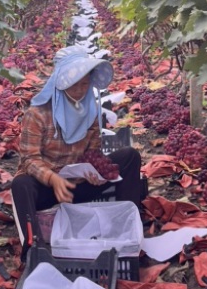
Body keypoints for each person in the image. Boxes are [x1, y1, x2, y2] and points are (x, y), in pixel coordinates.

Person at [11, 46, 143, 254]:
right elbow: (29, 159)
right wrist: (53, 180)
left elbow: (93, 152)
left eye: (85, 84)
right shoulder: (37, 114)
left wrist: (95, 172)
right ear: (60, 83)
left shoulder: (91, 110)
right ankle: (33, 246)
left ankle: (124, 226)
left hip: (76, 188)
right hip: (48, 189)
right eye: (74, 85)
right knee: (21, 184)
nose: (81, 90)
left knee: (129, 157)